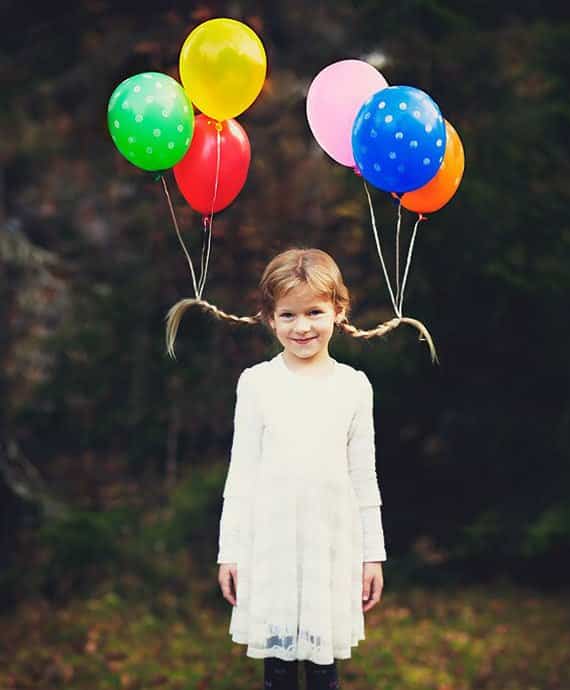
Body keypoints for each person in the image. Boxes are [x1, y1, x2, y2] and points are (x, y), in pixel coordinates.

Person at [164, 247, 436, 689]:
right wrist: (228, 551)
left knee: (323, 666)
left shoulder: (353, 386)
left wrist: (373, 555)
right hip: (271, 546)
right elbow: (242, 474)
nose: (303, 326)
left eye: (314, 311)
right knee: (278, 670)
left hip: (331, 546)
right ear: (269, 318)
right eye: (288, 315)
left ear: (338, 310)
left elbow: (364, 478)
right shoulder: (256, 383)